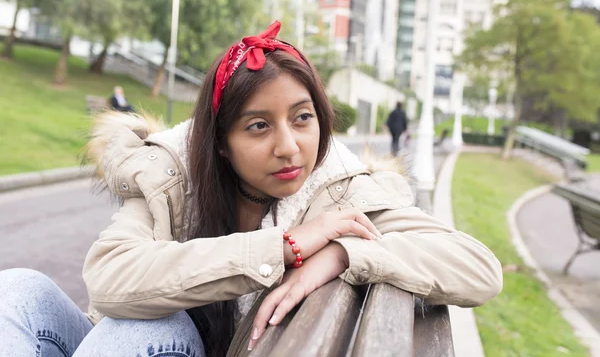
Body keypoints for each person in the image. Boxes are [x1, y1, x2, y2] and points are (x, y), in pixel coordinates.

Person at [0, 21, 502, 357]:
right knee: (16, 291)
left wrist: (344, 254)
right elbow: (109, 280)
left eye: (302, 119)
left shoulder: (340, 192)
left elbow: (478, 269)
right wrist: (281, 248)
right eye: (258, 126)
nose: (289, 147)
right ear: (220, 143)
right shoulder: (173, 176)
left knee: (146, 328)